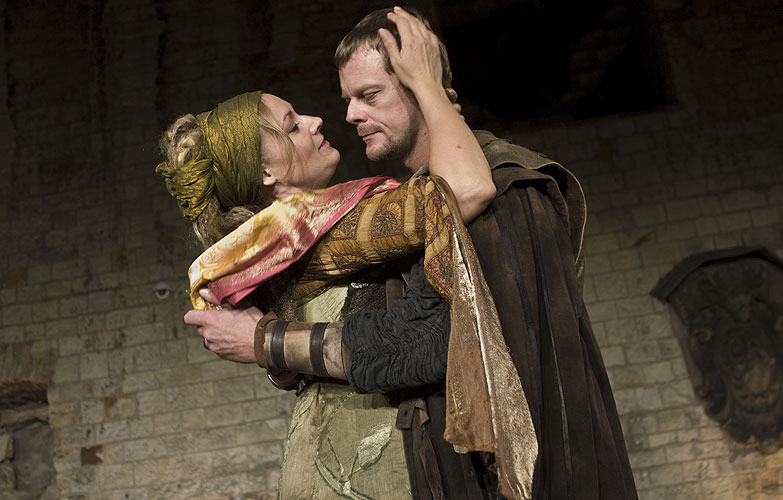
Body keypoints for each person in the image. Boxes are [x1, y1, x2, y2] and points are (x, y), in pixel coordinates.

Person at [158, 10, 505, 499]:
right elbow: (464, 190)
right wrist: (430, 90)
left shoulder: (262, 246)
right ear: (266, 172)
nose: (317, 120)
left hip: (326, 460)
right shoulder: (311, 229)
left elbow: (286, 367)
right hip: (364, 473)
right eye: (293, 125)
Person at [333, 7, 638, 500]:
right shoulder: (414, 206)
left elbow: (539, 376)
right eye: (348, 99)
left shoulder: (507, 187)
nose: (351, 115)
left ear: (422, 86)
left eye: (369, 95)